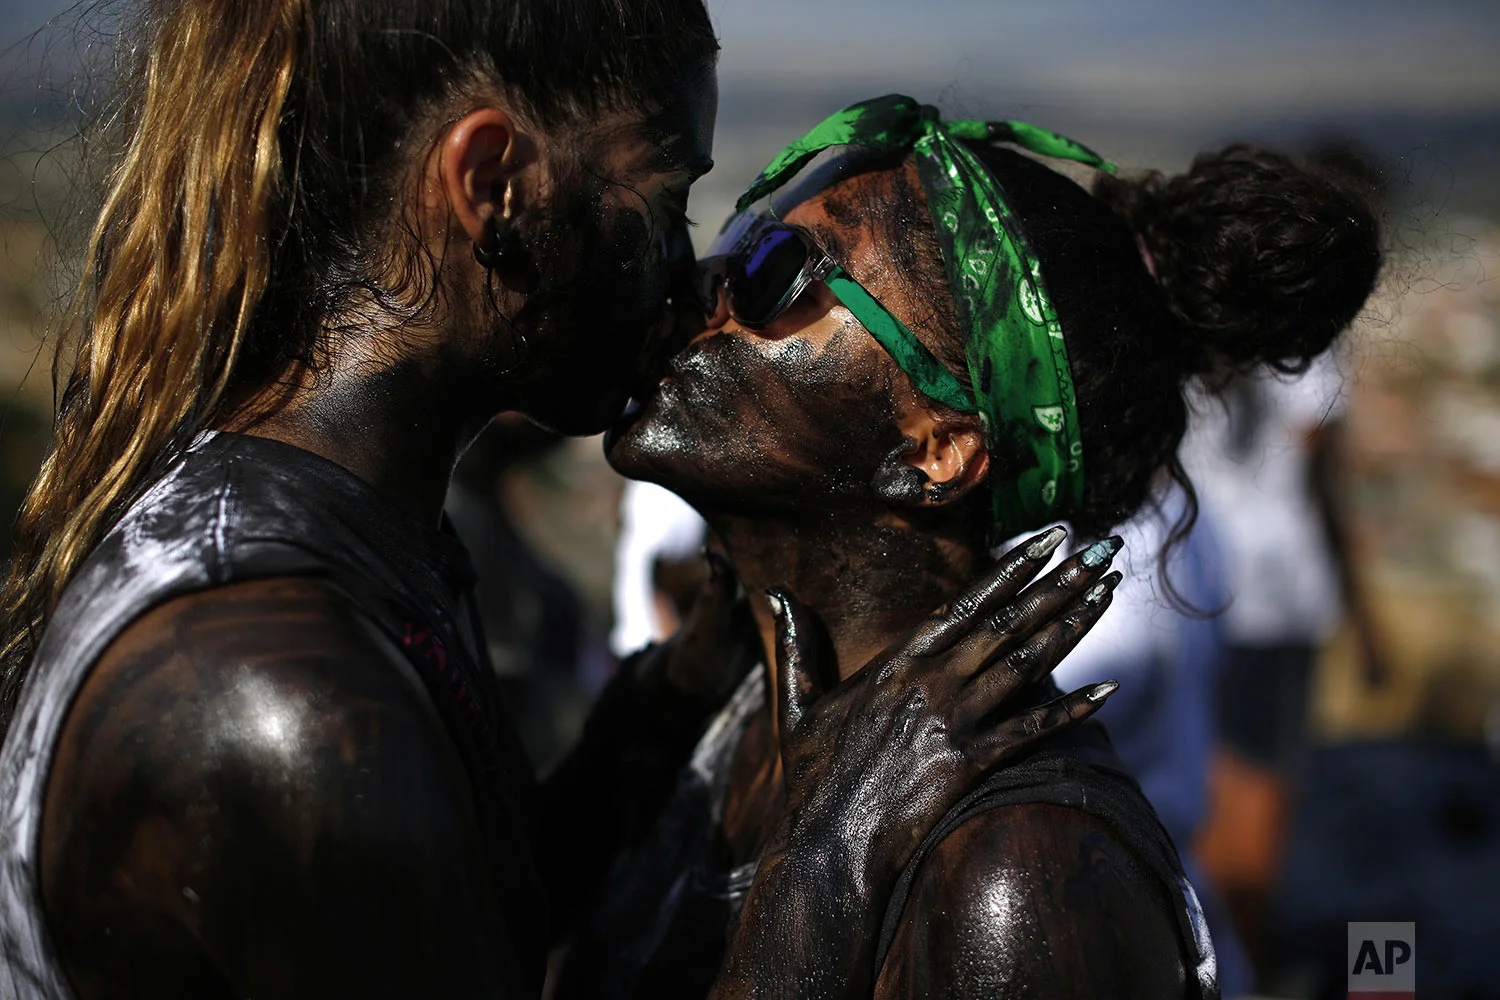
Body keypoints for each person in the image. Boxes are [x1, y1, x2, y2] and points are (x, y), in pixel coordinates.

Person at [0, 7, 1117, 999]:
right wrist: (828, 850)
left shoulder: (360, 536)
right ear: (493, 187)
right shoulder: (278, 696)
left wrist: (659, 715)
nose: (688, 274)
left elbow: (454, 900)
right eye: (670, 195)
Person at [576, 94, 1384, 998]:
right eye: (740, 234)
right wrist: (652, 715)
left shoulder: (1019, 877)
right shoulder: (725, 708)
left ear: (936, 446)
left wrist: (825, 864)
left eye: (775, 269)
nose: (705, 284)